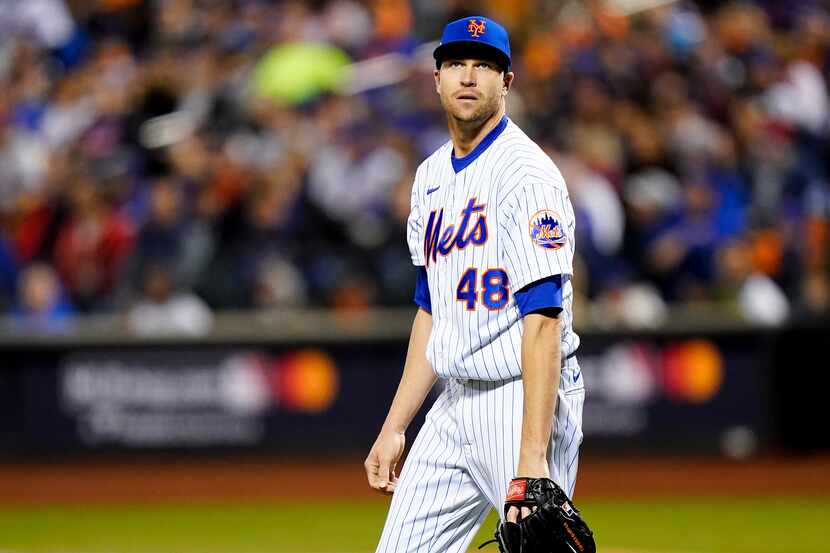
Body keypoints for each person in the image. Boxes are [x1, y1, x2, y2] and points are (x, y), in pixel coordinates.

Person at [364, 15, 585, 553]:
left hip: (520, 395)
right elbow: (432, 311)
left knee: (537, 543)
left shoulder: (526, 176)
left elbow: (543, 323)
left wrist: (531, 462)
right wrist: (396, 425)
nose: (468, 76)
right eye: (457, 64)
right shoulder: (430, 176)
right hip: (454, 399)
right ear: (436, 78)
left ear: (506, 82)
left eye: (484, 66)